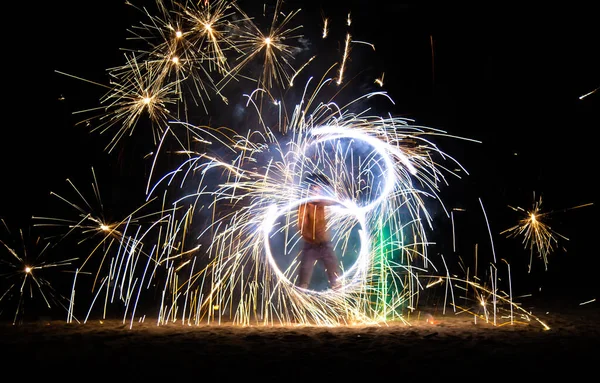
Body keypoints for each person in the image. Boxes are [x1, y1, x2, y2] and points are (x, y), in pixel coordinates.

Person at [296, 174, 341, 290]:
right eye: (314, 191)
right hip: (310, 246)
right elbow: (300, 222)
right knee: (303, 281)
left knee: (336, 279)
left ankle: (340, 299)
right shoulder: (304, 205)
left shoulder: (324, 203)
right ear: (309, 192)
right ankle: (301, 301)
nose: (317, 193)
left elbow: (337, 204)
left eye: (319, 191)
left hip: (325, 245)